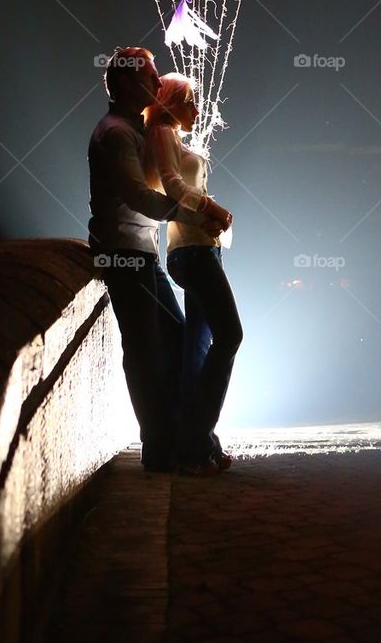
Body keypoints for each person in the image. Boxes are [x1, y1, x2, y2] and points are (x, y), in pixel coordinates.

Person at [87, 47, 227, 472]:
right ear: (129, 83)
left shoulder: (133, 130)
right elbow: (138, 196)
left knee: (168, 340)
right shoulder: (116, 133)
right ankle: (164, 447)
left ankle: (174, 441)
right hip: (125, 252)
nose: (158, 82)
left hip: (139, 251)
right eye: (150, 76)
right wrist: (197, 212)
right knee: (150, 348)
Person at [144, 73, 242, 477]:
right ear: (169, 101)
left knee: (197, 349)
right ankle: (196, 438)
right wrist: (212, 210)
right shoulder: (163, 131)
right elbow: (171, 185)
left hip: (201, 249)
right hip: (193, 252)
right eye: (190, 102)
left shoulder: (173, 136)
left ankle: (197, 441)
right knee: (229, 335)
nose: (197, 111)